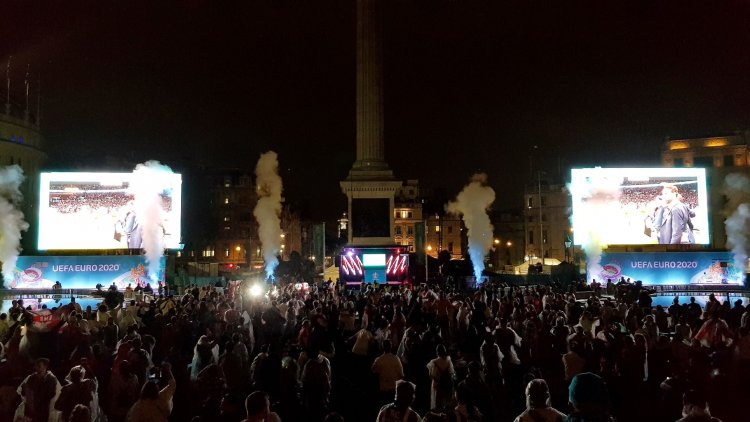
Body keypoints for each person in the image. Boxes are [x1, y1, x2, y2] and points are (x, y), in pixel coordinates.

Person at [17, 358, 61, 422]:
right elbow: (24, 391)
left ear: (45, 367)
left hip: (43, 408)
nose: (36, 368)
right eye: (36, 366)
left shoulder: (51, 379)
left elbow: (51, 394)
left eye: (39, 366)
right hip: (31, 408)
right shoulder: (31, 378)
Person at [427, 344, 455, 411]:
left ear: (437, 351)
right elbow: (452, 371)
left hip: (438, 384)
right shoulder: (448, 359)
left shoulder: (434, 362)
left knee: (438, 403)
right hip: (448, 383)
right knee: (448, 401)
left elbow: (431, 375)